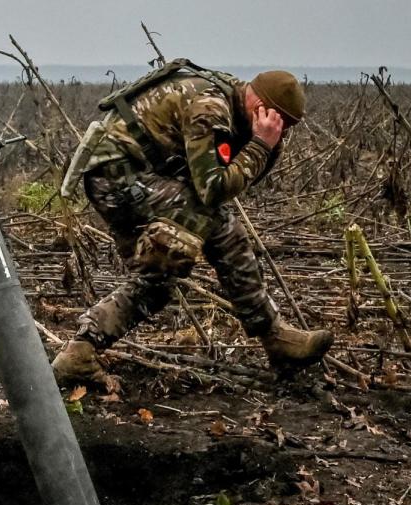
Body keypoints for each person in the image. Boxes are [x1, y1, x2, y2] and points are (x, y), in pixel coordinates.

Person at [52, 61, 333, 386]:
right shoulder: (210, 107)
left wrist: (266, 147)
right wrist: (260, 146)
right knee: (222, 226)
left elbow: (233, 178)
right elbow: (213, 188)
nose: (281, 133)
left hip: (131, 175)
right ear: (261, 107)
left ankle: (79, 354)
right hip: (117, 176)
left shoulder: (234, 99)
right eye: (280, 125)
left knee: (157, 284)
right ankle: (275, 337)